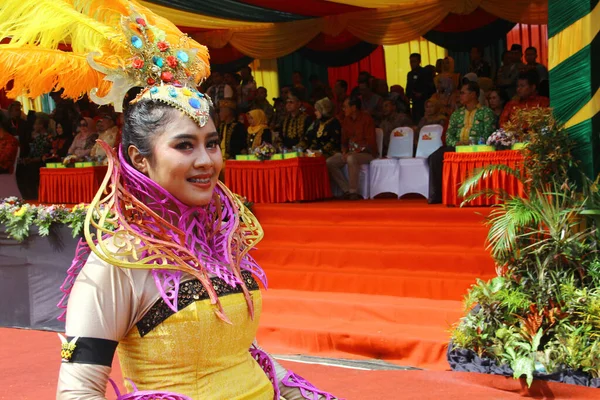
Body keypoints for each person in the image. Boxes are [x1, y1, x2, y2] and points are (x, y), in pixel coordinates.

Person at [0, 4, 344, 399]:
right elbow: (80, 391)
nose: (206, 160)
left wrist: (299, 391)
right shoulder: (117, 262)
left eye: (212, 144)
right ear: (138, 159)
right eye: (184, 145)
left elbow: (234, 352)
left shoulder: (221, 244)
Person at [427, 81, 496, 204]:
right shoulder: (456, 114)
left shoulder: (486, 113)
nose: (460, 96)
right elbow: (449, 134)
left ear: (473, 94)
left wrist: (472, 142)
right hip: (457, 148)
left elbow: (489, 133)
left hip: (476, 148)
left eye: (463, 93)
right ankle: (438, 196)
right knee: (435, 157)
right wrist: (456, 143)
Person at [326, 97, 377, 200]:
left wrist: (353, 153)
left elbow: (369, 143)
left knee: (351, 158)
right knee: (330, 162)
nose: (343, 109)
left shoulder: (366, 119)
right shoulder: (346, 120)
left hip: (367, 154)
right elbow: (343, 141)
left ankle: (354, 192)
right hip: (350, 152)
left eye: (345, 107)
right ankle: (346, 190)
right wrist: (344, 152)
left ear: (353, 108)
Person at [406, 53, 435, 123]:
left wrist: (422, 94)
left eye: (414, 61)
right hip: (415, 102)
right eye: (411, 61)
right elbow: (408, 87)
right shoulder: (410, 74)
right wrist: (408, 95)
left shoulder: (425, 72)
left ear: (419, 62)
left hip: (424, 101)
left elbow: (431, 87)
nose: (412, 64)